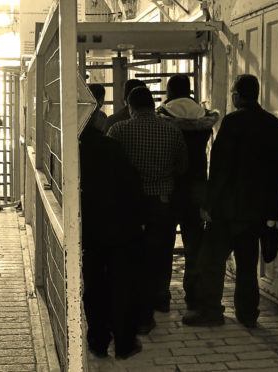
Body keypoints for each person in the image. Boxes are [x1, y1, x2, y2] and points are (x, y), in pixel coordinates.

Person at [182, 74, 278, 328]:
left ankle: (211, 312)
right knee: (248, 265)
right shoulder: (274, 124)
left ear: (237, 95)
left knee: (211, 261)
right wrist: (272, 209)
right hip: (256, 211)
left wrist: (208, 204)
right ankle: (248, 313)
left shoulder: (232, 122)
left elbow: (220, 168)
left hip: (228, 210)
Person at [107, 86, 188, 334]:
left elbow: (111, 165)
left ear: (130, 107)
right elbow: (183, 165)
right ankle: (160, 297)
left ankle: (134, 299)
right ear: (153, 106)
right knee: (161, 251)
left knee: (132, 251)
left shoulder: (118, 130)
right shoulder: (172, 130)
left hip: (130, 202)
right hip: (162, 200)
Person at [80, 107, 146, 359]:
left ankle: (97, 341)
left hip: (88, 230)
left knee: (94, 286)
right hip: (120, 228)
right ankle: (124, 343)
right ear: (94, 119)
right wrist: (139, 220)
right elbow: (132, 184)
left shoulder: (68, 150)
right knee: (122, 286)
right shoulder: (110, 147)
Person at [156, 74, 220, 313]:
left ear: (170, 90)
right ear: (190, 90)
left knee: (164, 242)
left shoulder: (162, 115)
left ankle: (161, 296)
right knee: (195, 243)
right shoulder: (204, 117)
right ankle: (193, 294)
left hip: (169, 185)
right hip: (197, 185)